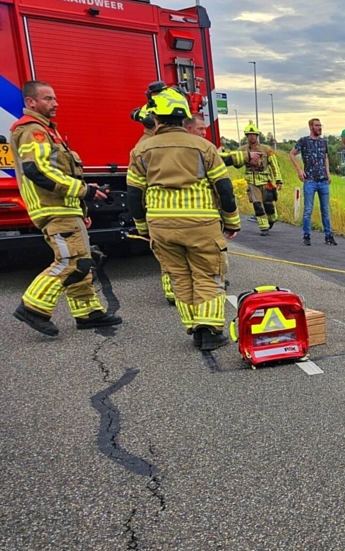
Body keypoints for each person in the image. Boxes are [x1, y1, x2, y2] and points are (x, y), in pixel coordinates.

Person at [127, 84, 240, 351]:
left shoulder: (141, 150)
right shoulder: (204, 147)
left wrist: (142, 227)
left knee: (179, 276)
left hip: (160, 226)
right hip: (201, 223)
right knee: (208, 274)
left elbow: (133, 194)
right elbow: (224, 188)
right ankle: (210, 331)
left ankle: (194, 328)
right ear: (184, 117)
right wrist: (232, 221)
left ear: (155, 117)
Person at [11, 80, 122, 336]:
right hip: (54, 209)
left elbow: (59, 172)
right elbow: (37, 170)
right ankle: (32, 308)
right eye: (48, 98)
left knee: (83, 261)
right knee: (70, 261)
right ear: (31, 102)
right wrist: (83, 190)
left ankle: (88, 312)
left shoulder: (48, 132)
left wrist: (82, 203)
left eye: (55, 98)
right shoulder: (32, 130)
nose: (55, 103)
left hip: (67, 209)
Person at [131, 103, 177, 306]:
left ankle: (175, 291)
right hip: (166, 208)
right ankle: (174, 292)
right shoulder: (151, 145)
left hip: (160, 211)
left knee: (170, 252)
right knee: (171, 253)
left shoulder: (145, 145)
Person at [222, 122, 282, 236]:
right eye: (249, 135)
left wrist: (279, 180)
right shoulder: (242, 149)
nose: (251, 137)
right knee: (258, 205)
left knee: (269, 206)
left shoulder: (266, 149)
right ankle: (264, 228)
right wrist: (245, 159)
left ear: (257, 135)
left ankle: (271, 220)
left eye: (253, 134)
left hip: (266, 181)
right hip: (252, 182)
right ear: (246, 136)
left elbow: (275, 165)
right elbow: (236, 163)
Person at [288, 118, 335, 246]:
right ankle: (306, 235)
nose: (320, 128)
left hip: (323, 180)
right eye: (317, 125)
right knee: (308, 209)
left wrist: (328, 173)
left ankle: (328, 235)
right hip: (310, 180)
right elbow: (292, 154)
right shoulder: (304, 141)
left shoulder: (323, 142)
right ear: (311, 127)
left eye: (320, 125)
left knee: (325, 210)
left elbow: (325, 157)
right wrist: (299, 170)